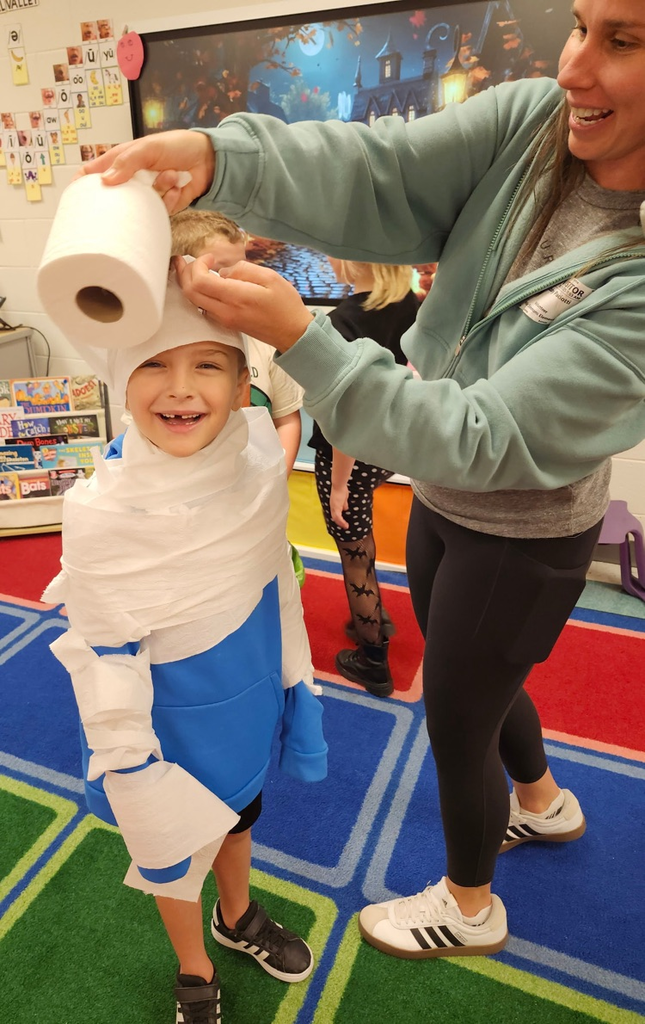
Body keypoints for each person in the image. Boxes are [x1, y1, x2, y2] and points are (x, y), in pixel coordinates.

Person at [80, 0, 645, 959]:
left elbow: (479, 436)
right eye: (579, 25)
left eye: (621, 41)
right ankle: (543, 802)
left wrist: (305, 342)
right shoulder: (532, 124)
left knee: (456, 712)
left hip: (522, 531)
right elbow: (378, 172)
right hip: (441, 503)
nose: (573, 68)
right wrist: (222, 160)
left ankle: (471, 907)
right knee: (483, 673)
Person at [43, 269, 328, 1022]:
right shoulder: (102, 511)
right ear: (117, 379)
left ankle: (236, 919)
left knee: (238, 816)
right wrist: (130, 765)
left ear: (243, 385)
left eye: (207, 364)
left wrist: (294, 679)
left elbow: (275, 578)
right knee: (173, 847)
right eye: (153, 365)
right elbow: (105, 648)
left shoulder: (259, 461)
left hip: (246, 688)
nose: (181, 389)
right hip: (162, 721)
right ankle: (194, 968)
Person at [310, 259, 419, 697]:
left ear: (351, 259)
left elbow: (344, 417)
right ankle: (372, 617)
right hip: (385, 448)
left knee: (353, 553)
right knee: (363, 542)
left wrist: (338, 484)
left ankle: (373, 660)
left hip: (349, 458)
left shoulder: (342, 322)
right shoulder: (408, 303)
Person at [170, 209, 303, 475]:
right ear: (178, 273)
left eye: (242, 269)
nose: (238, 282)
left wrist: (277, 477)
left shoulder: (265, 341)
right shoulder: (163, 349)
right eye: (219, 271)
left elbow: (287, 419)